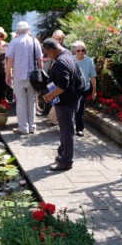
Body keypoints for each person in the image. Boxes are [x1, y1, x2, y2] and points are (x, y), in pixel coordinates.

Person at [41, 38, 80, 171]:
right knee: (66, 130)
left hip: (66, 101)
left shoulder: (61, 62)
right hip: (72, 98)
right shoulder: (67, 54)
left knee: (67, 131)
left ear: (52, 50)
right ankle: (62, 155)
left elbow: (63, 85)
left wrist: (49, 95)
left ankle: (66, 161)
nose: (47, 56)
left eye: (47, 53)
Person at [5, 21, 43, 135]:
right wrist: (40, 73)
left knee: (21, 102)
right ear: (28, 30)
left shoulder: (14, 42)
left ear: (17, 31)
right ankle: (32, 126)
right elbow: (40, 59)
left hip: (19, 76)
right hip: (33, 76)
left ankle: (23, 128)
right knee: (31, 101)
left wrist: (8, 74)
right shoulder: (34, 41)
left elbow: (10, 60)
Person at [72, 40, 97, 137]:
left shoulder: (89, 61)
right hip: (72, 88)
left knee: (80, 108)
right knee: (70, 108)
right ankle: (68, 127)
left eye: (83, 50)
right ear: (75, 51)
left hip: (83, 88)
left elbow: (93, 76)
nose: (80, 52)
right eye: (78, 51)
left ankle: (79, 129)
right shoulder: (71, 59)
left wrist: (94, 90)